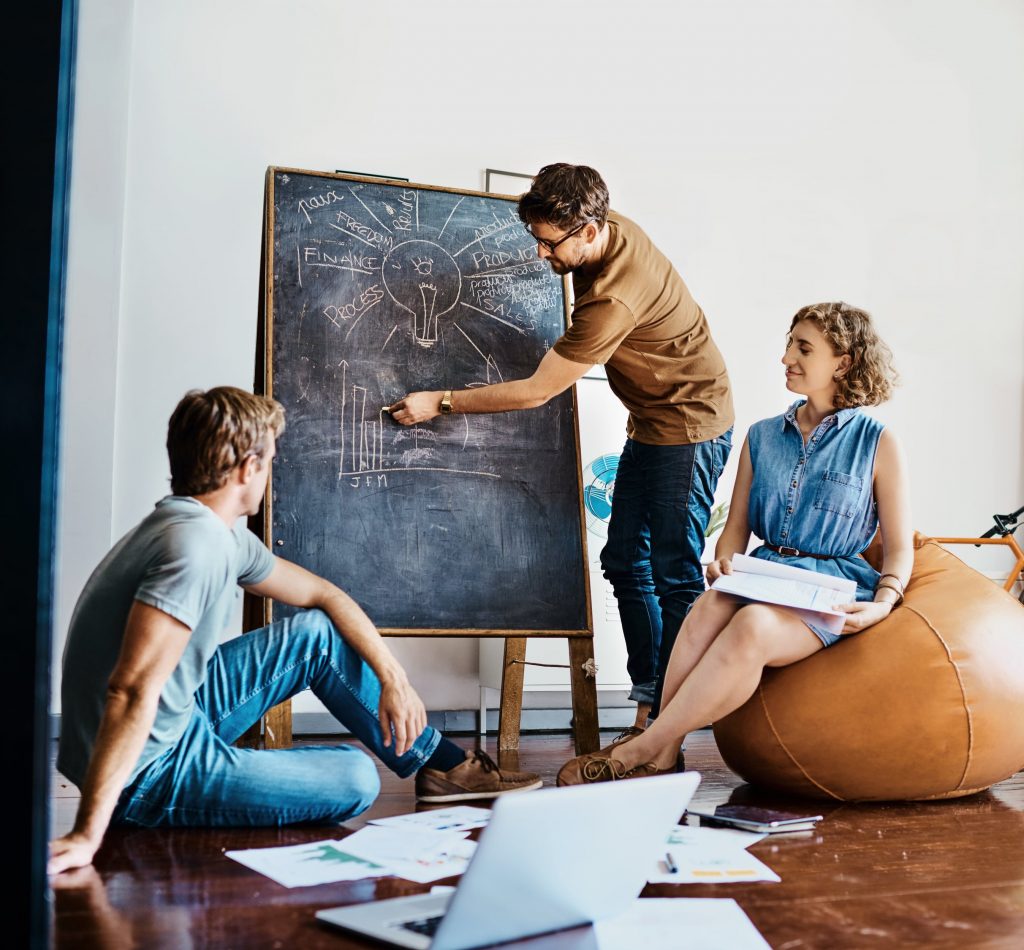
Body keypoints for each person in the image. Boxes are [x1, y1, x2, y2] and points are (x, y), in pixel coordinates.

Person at [48, 386, 540, 876]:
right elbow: (130, 689)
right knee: (355, 778)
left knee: (315, 634)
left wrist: (395, 678)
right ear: (247, 468)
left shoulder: (205, 529)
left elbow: (325, 596)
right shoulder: (195, 550)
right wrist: (87, 833)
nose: (270, 472)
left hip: (176, 717)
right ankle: (189, 786)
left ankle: (440, 763)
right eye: (270, 461)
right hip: (142, 770)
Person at [389, 164, 734, 728]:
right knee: (626, 560)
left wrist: (441, 401)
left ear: (590, 230)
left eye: (551, 245)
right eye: (537, 240)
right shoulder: (602, 228)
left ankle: (666, 718)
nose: (543, 257)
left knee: (674, 574)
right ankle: (652, 692)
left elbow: (533, 393)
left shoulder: (613, 300)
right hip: (651, 421)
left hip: (691, 426)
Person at [555, 302, 912, 785]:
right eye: (789, 343)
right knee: (705, 609)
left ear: (843, 363)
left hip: (829, 588)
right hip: (765, 574)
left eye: (803, 348)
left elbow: (898, 546)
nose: (787, 356)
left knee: (752, 626)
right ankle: (665, 753)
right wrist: (724, 564)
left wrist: (883, 604)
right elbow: (735, 531)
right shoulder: (762, 436)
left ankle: (641, 747)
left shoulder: (877, 440)